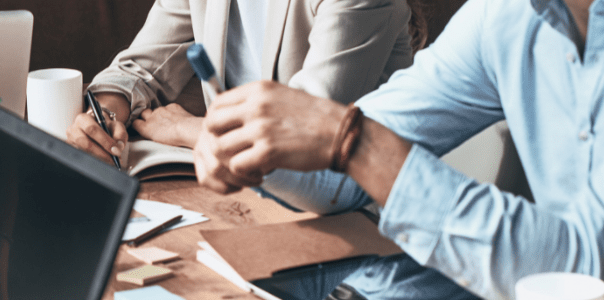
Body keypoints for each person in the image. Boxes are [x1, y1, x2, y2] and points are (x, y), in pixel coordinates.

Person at [193, 0, 604, 298]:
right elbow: (341, 174)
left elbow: (591, 269)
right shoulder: (507, 16)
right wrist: (253, 139)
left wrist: (353, 142)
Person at [65, 0, 474, 299]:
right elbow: (139, 67)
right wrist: (105, 114)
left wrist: (191, 129)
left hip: (353, 227)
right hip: (251, 203)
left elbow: (299, 130)